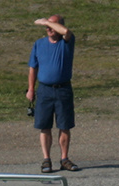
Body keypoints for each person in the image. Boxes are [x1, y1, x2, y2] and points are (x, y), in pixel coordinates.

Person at [26, 15, 79, 173]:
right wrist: (31, 88)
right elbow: (33, 68)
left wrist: (46, 21)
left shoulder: (67, 42)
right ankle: (46, 159)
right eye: (47, 26)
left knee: (64, 126)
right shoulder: (39, 44)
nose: (48, 28)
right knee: (44, 126)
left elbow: (66, 32)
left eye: (52, 25)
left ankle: (64, 159)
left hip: (63, 89)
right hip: (45, 90)